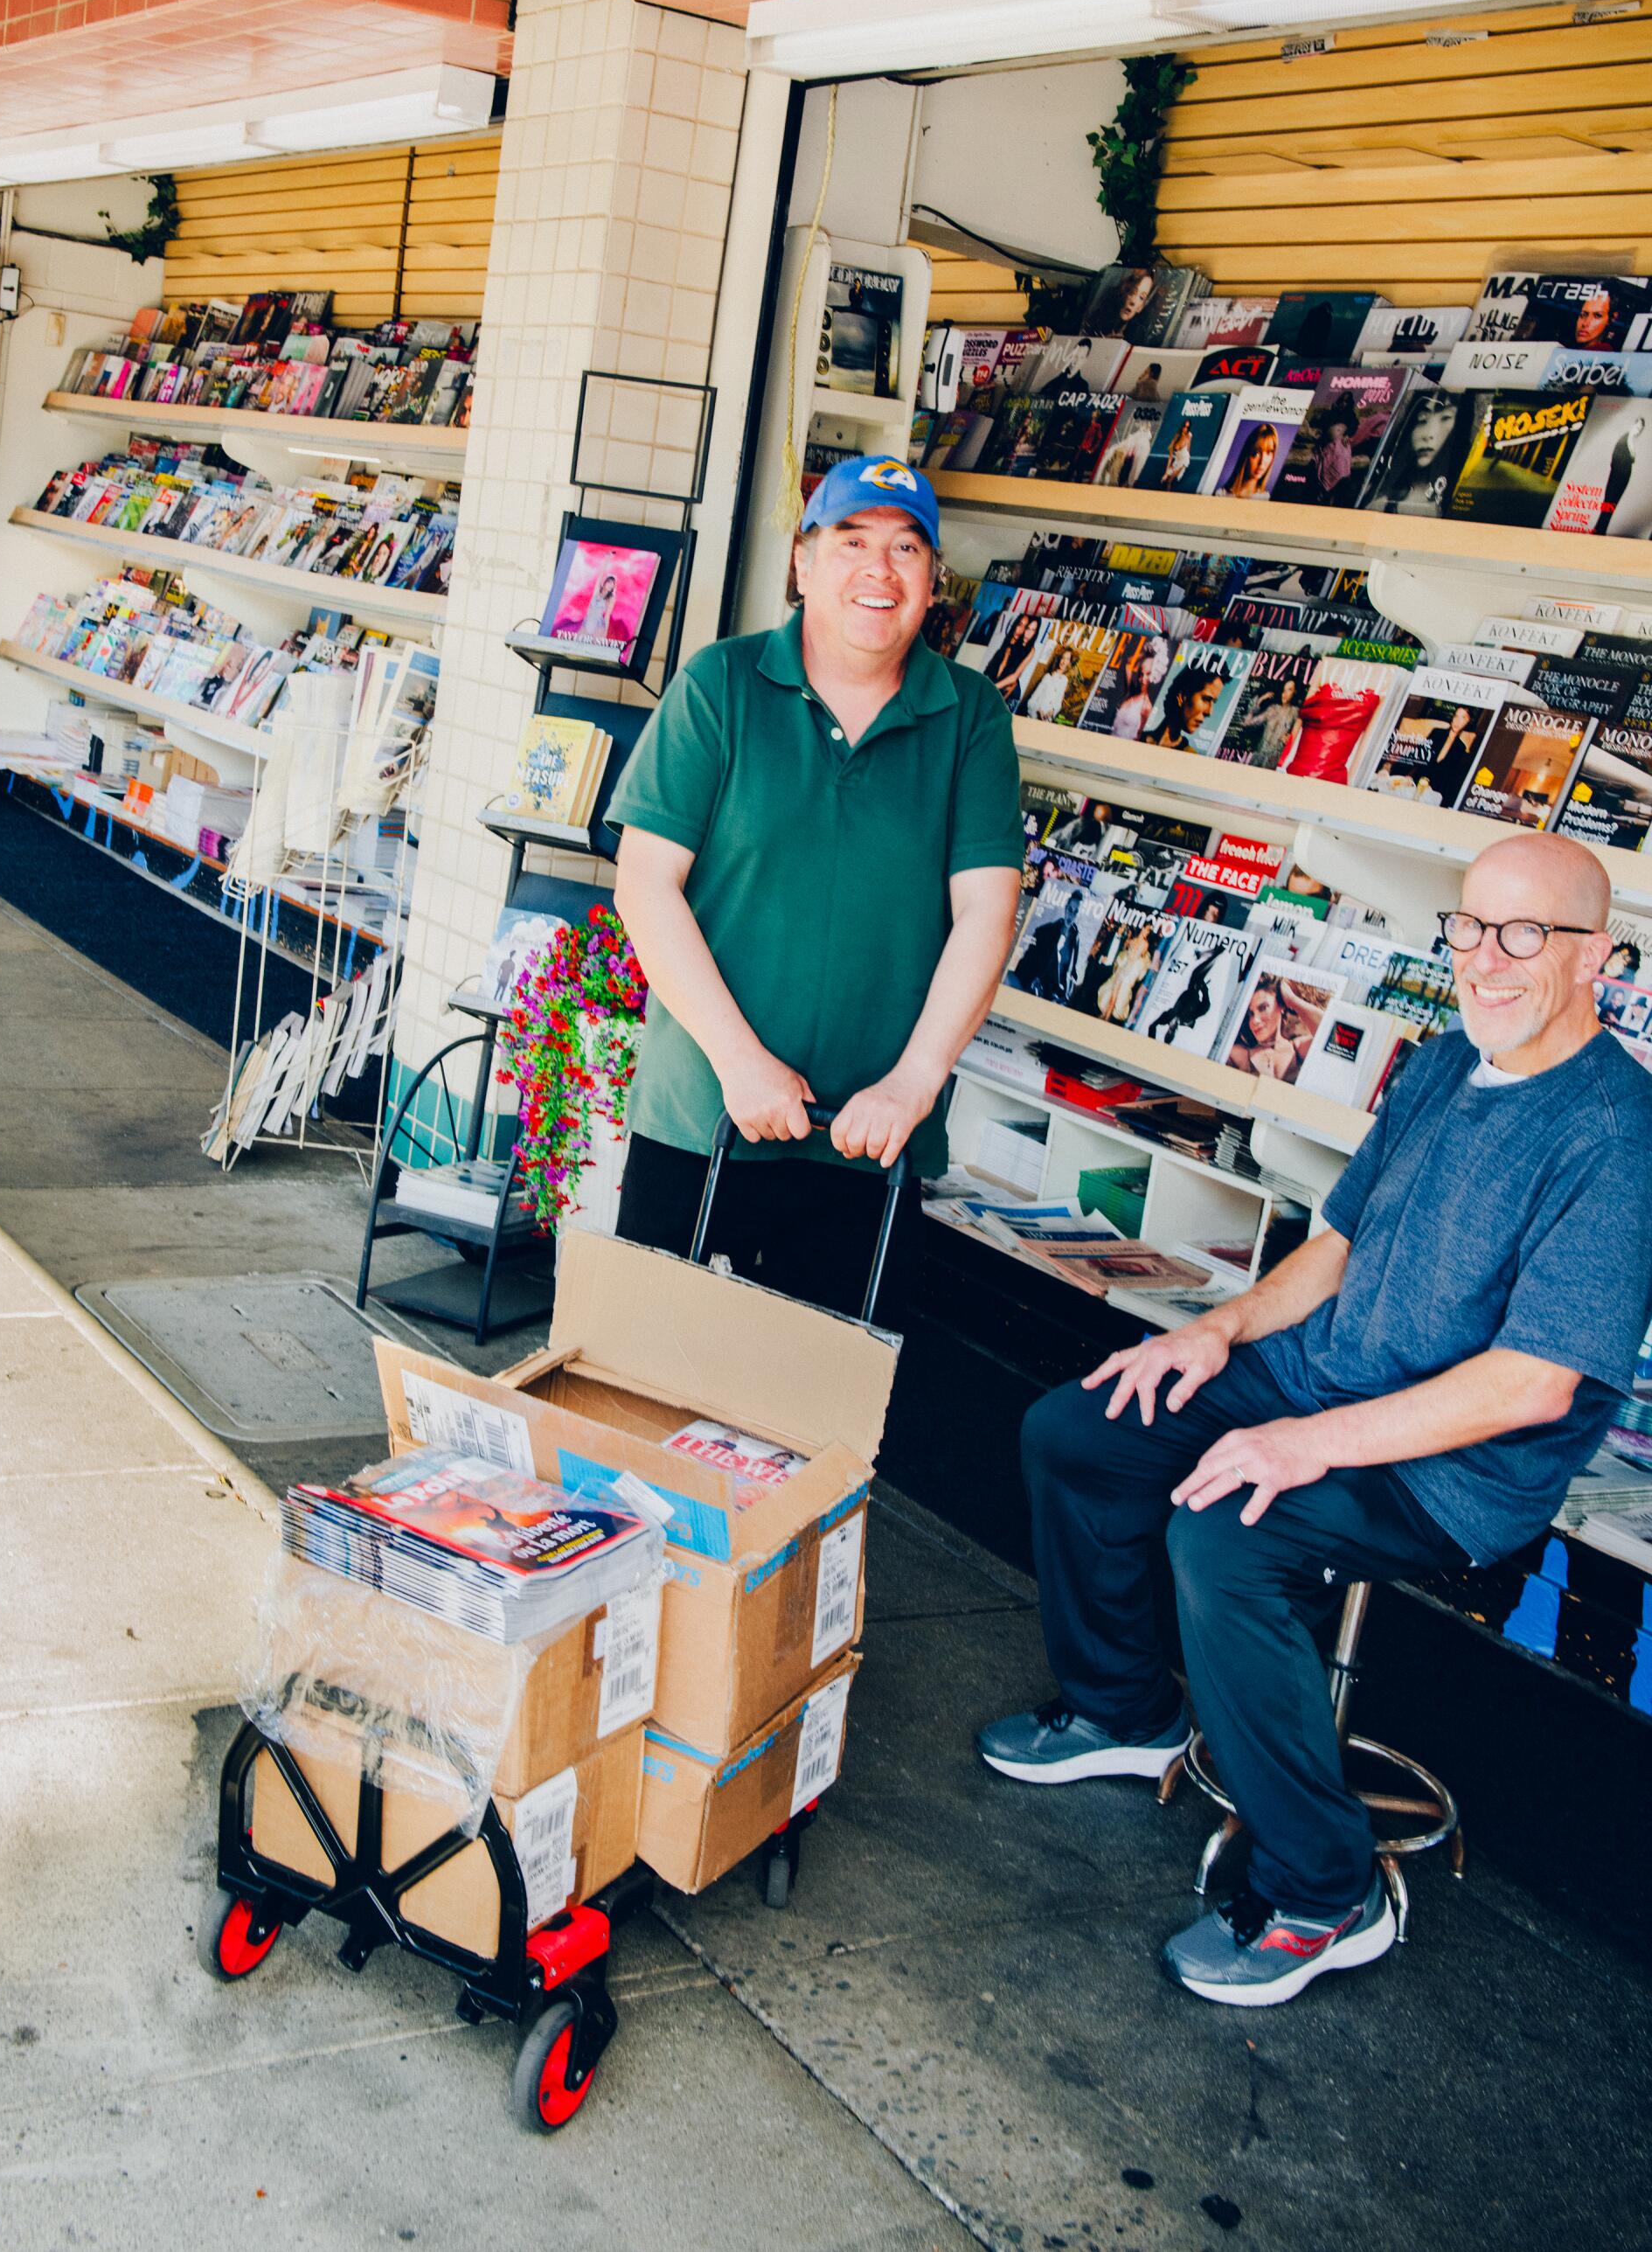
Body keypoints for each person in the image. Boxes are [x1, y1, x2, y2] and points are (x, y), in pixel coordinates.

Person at [979, 831, 1652, 2006]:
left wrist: (1301, 1444)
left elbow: (1534, 1382)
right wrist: (1220, 1330)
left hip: (1452, 1466)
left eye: (1525, 934)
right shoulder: (1445, 1059)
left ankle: (1324, 1889)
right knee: (1079, 1429)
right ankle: (1123, 1708)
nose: (1485, 960)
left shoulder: (1617, 1132)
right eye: (1470, 927)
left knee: (1228, 1538)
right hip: (1318, 1377)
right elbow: (1335, 1244)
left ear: (1598, 955)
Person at [605, 455, 1022, 1319]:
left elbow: (986, 910)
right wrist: (738, 1061)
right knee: (642, 1388)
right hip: (703, 1118)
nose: (879, 570)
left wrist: (916, 1080)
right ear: (801, 563)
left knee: (816, 1425)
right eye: (851, 542)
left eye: (906, 549)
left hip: (871, 1141)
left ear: (931, 579)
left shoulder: (969, 715)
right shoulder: (719, 685)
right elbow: (646, 885)